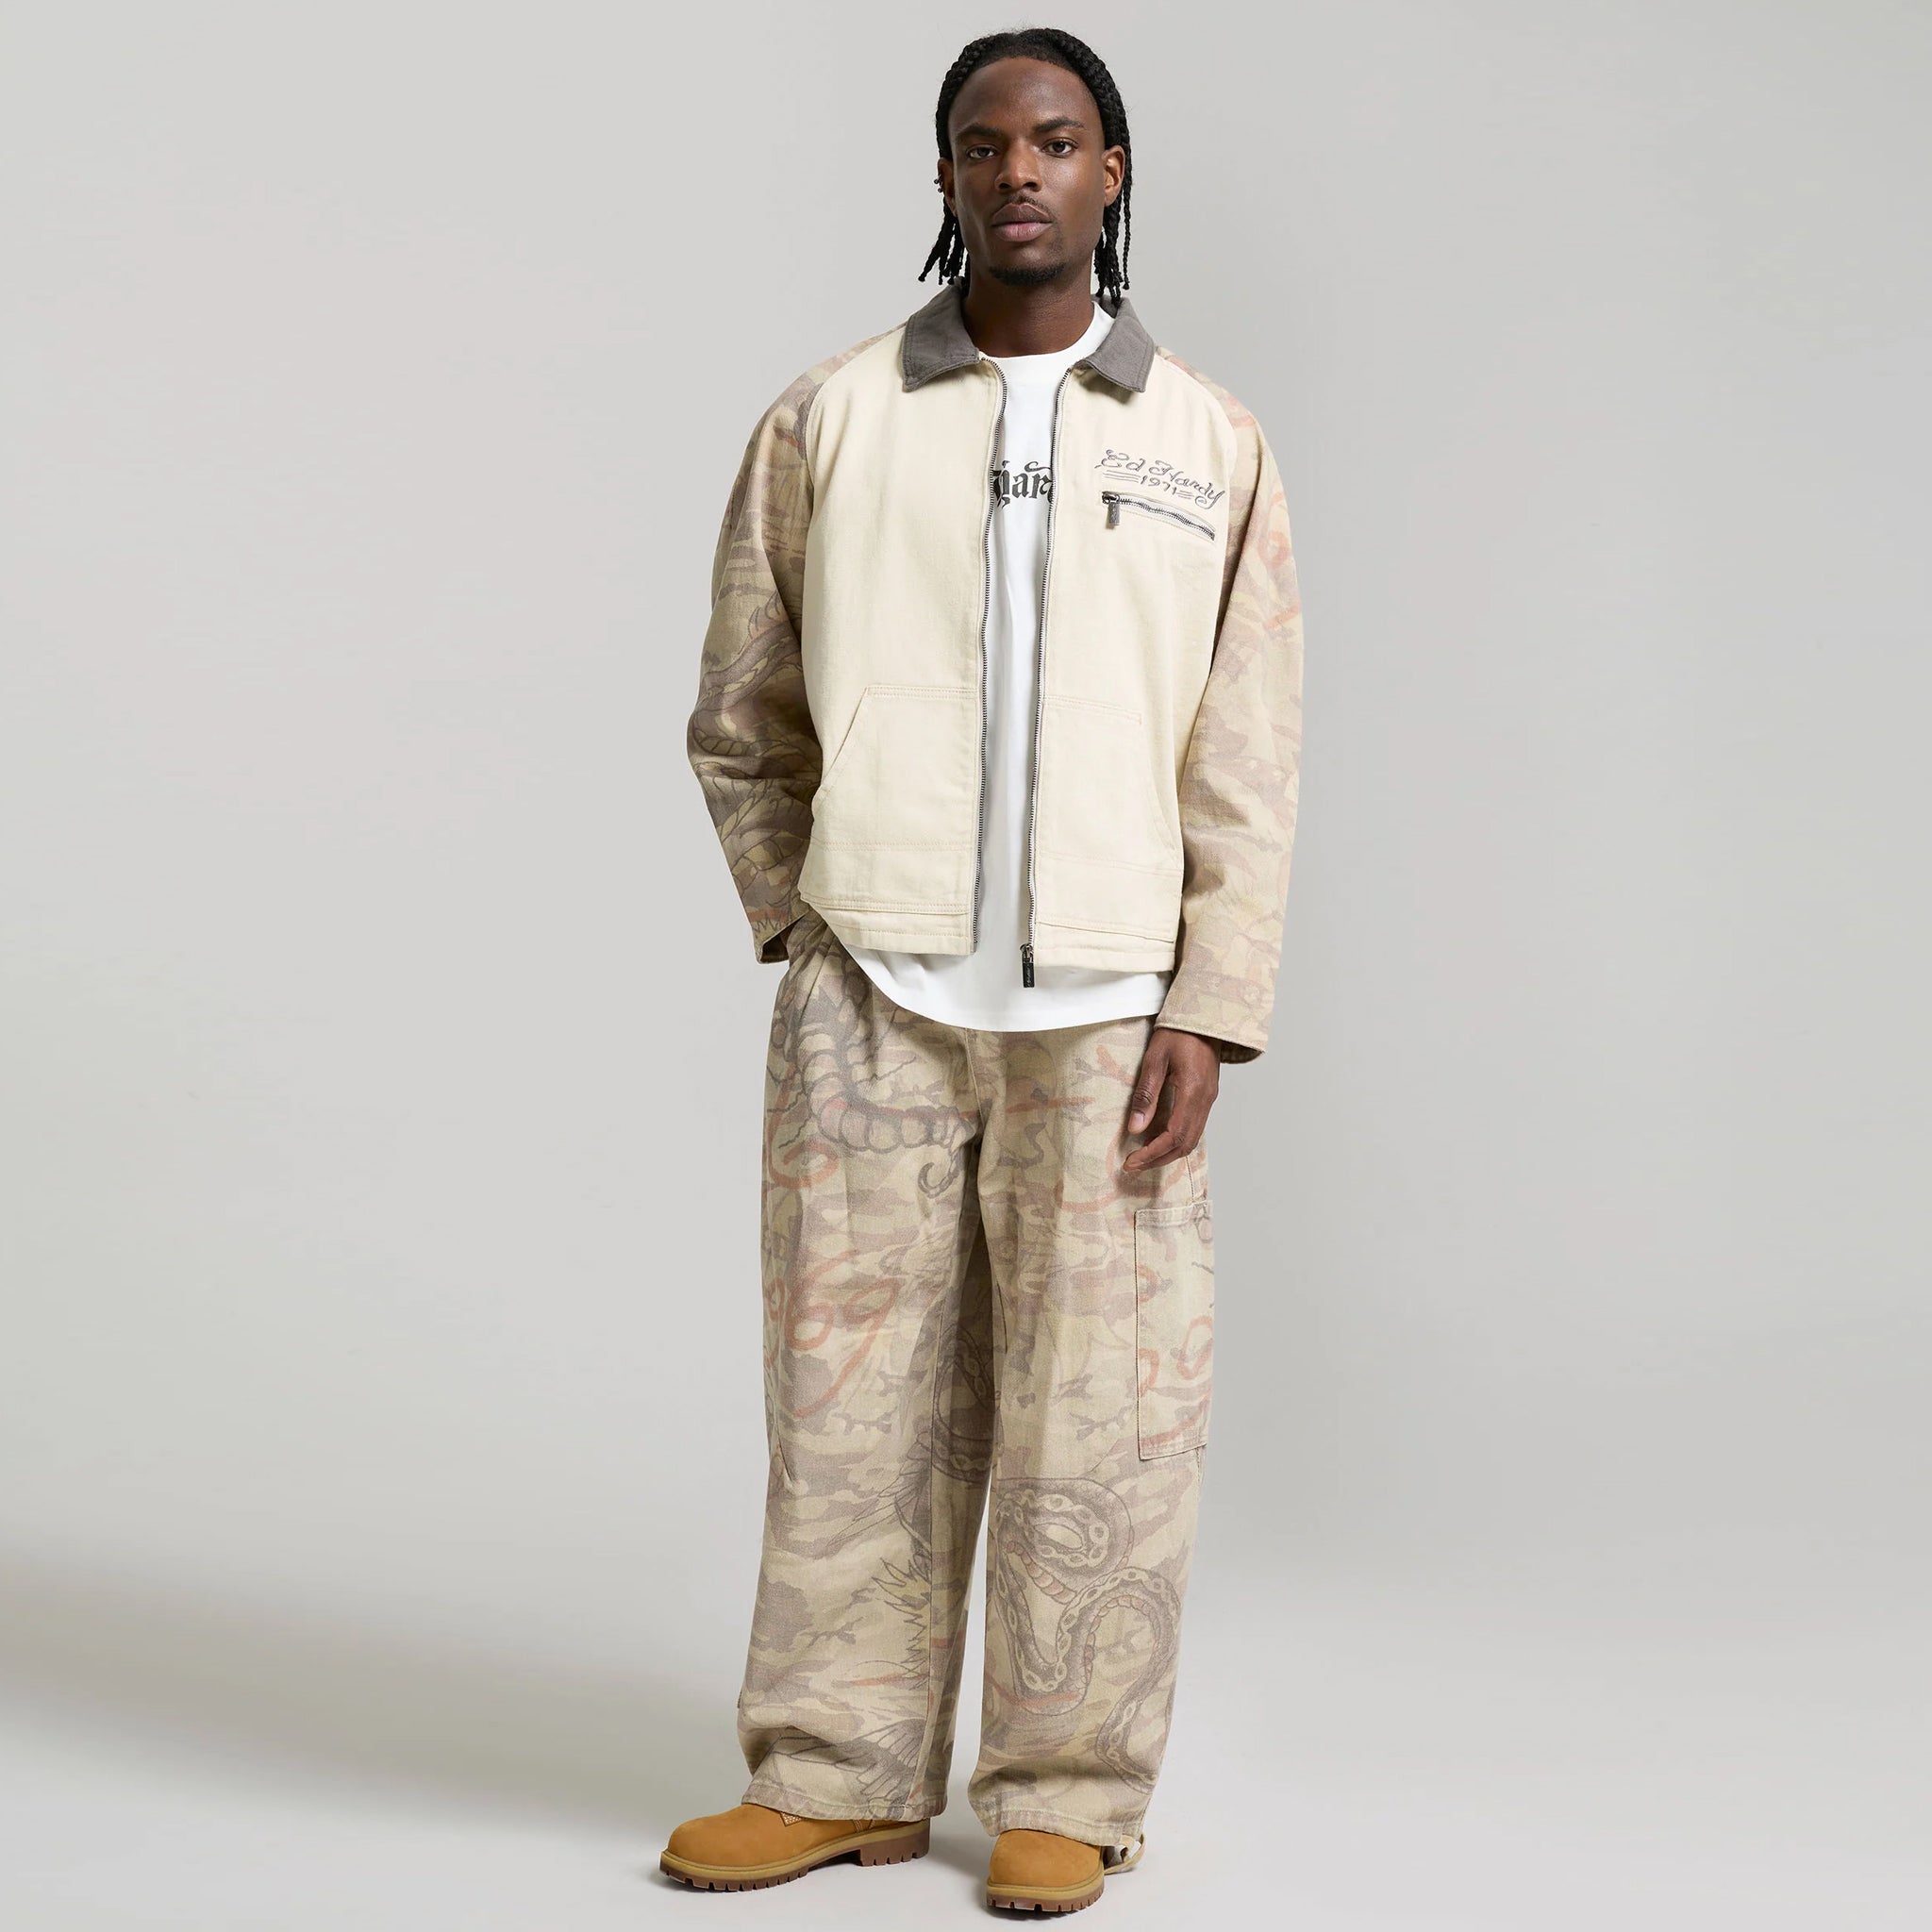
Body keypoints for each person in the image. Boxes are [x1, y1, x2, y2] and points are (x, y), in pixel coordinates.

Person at [664, 25, 1304, 1916]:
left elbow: (1248, 750)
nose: (1017, 171)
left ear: (1112, 172)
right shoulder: (832, 417)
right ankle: (835, 1774)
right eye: (981, 144)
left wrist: (1209, 1001)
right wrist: (809, 916)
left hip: (1107, 1014)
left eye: (1055, 140)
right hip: (873, 1000)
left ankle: (1068, 1786)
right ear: (945, 177)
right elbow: (739, 709)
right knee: (846, 1404)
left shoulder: (1206, 441)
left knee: (1105, 1422)